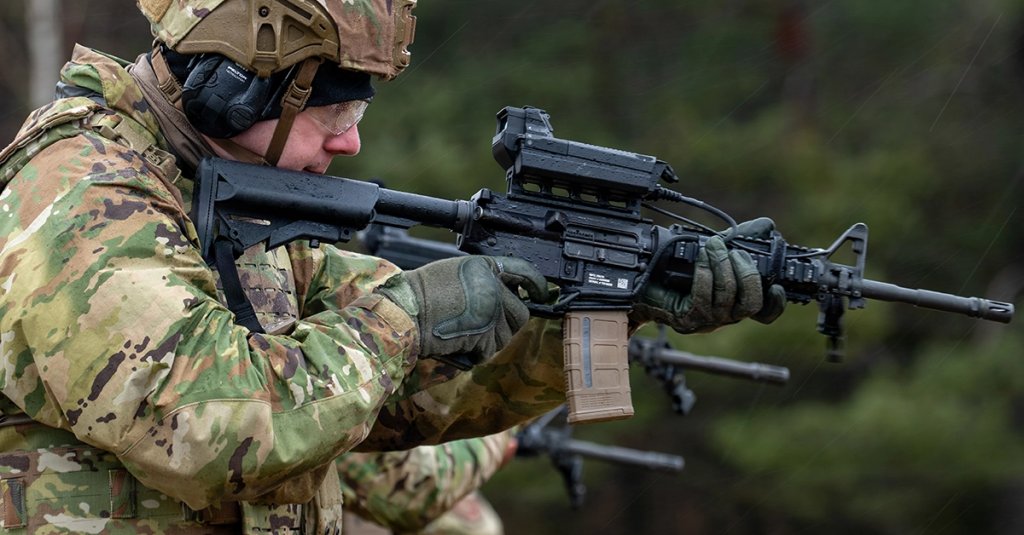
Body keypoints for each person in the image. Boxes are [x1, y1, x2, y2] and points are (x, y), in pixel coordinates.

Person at [0, 0, 783, 532]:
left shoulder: (232, 207)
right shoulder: (79, 192)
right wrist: (404, 321)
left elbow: (410, 395)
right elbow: (212, 423)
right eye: (333, 110)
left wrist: (621, 296)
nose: (350, 143)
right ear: (239, 88)